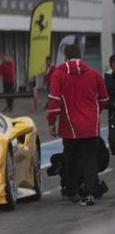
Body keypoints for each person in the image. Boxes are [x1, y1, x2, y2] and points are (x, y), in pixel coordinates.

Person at [46, 43, 109, 205]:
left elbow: (54, 101)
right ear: (81, 55)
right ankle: (89, 194)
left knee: (70, 158)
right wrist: (95, 112)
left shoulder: (59, 74)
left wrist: (51, 122)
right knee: (90, 159)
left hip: (69, 125)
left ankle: (72, 190)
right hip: (91, 125)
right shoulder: (94, 73)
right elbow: (104, 98)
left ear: (65, 57)